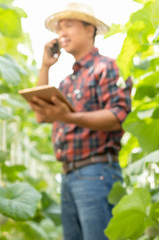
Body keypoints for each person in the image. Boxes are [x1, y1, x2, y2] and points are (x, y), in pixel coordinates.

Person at [29, 2, 132, 240]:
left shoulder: (107, 67)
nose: (61, 33)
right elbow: (40, 114)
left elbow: (118, 116)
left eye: (69, 25)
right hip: (69, 175)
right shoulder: (66, 82)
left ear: (89, 30)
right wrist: (45, 65)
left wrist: (70, 117)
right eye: (59, 28)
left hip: (97, 172)